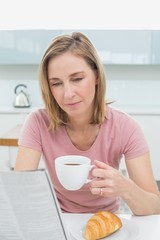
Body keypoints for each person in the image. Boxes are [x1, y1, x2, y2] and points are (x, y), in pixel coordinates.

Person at [14, 31, 160, 215]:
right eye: (56, 83)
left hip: (105, 221)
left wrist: (127, 189)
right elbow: (18, 196)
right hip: (58, 220)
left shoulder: (126, 128)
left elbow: (155, 208)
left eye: (77, 79)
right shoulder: (37, 122)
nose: (67, 94)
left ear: (97, 76)